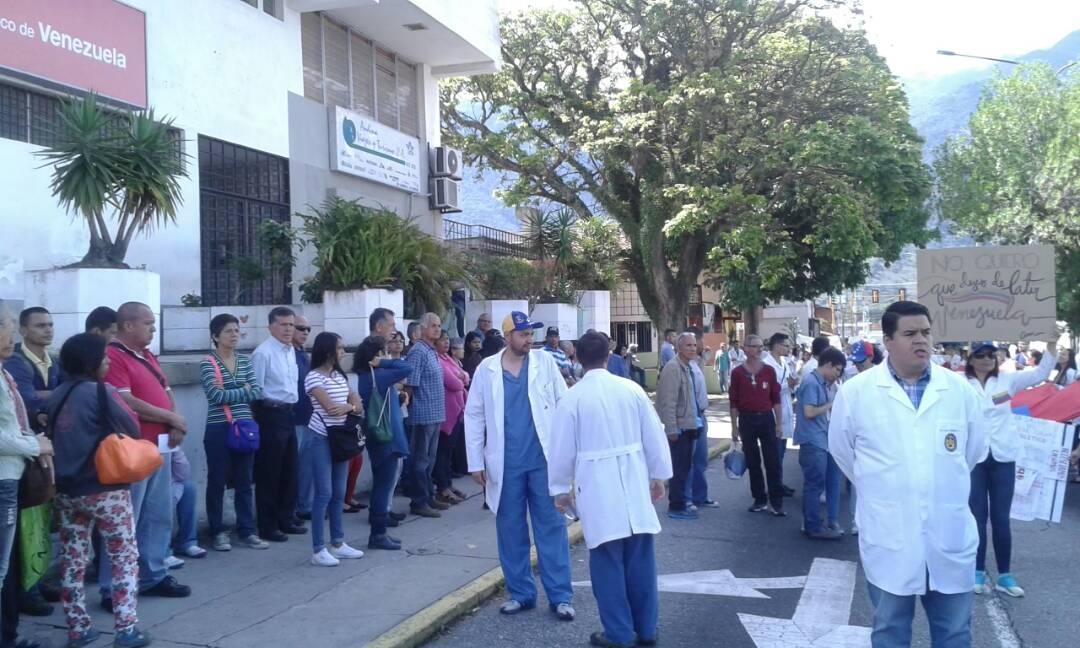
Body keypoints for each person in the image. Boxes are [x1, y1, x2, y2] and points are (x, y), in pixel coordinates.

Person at [829, 301, 987, 648]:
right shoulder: (857, 393)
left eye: (926, 333)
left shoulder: (959, 391)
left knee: (955, 633)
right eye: (910, 333)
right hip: (890, 536)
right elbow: (843, 454)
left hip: (949, 536)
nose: (921, 341)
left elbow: (973, 452)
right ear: (888, 340)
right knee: (889, 631)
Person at [548, 332, 672, 648]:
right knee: (641, 560)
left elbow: (561, 449)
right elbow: (654, 435)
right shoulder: (631, 389)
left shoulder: (573, 398)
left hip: (598, 489)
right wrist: (659, 475)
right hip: (633, 480)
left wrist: (560, 489)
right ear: (608, 356)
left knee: (607, 564)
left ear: (576, 357)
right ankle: (646, 629)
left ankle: (618, 633)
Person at [464, 311, 575, 621]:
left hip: (543, 461)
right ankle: (521, 594)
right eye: (524, 334)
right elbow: (473, 415)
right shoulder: (487, 369)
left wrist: (568, 454)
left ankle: (561, 596)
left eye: (531, 334)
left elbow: (563, 405)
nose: (530, 339)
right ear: (508, 336)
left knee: (551, 528)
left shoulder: (545, 363)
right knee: (511, 531)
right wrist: (474, 461)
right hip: (506, 463)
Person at [49, 333, 151, 648]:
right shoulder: (102, 392)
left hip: (66, 491)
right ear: (92, 363)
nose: (108, 362)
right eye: (104, 358)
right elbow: (132, 429)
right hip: (105, 489)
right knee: (123, 556)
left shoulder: (57, 394)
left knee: (73, 558)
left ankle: (78, 629)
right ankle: (126, 629)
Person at [100, 302, 191, 612]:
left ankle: (153, 575)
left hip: (159, 445)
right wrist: (170, 416)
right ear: (128, 325)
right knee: (126, 521)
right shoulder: (114, 355)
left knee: (157, 515)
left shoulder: (147, 355)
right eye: (148, 323)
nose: (153, 328)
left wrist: (174, 419)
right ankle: (112, 588)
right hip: (131, 450)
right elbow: (125, 400)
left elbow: (166, 389)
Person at [965, 338, 1056, 598]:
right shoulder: (960, 384)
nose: (986, 359)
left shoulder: (1007, 382)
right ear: (971, 359)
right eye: (980, 355)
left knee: (1001, 519)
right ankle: (977, 572)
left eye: (990, 355)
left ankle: (1004, 575)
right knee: (977, 518)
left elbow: (1040, 373)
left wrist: (1051, 344)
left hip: (1003, 457)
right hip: (974, 459)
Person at [5, 307, 61, 617]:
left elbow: (55, 394)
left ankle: (37, 579)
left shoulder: (54, 359)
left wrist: (49, 395)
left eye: (51, 324)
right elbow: (27, 399)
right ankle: (27, 590)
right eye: (40, 326)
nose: (48, 330)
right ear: (23, 330)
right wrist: (58, 394)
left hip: (45, 450)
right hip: (24, 453)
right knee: (26, 522)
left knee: (41, 519)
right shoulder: (16, 361)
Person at [199, 314, 267, 552]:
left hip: (245, 427)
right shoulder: (209, 362)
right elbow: (215, 396)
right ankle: (218, 531)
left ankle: (247, 529)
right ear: (216, 336)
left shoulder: (245, 361)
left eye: (237, 330)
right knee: (217, 480)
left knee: (245, 480)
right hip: (219, 427)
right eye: (228, 331)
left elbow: (256, 391)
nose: (234, 335)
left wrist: (238, 390)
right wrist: (243, 390)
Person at [304, 332, 365, 567]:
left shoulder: (339, 376)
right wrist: (352, 405)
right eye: (340, 348)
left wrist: (350, 405)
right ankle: (318, 548)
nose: (343, 352)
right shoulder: (313, 378)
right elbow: (331, 409)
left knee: (339, 493)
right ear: (328, 351)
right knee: (324, 493)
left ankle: (338, 543)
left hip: (340, 438)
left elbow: (355, 400)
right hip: (320, 438)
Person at [252, 307, 305, 543]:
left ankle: (286, 517)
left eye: (291, 325)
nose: (288, 330)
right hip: (270, 414)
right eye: (283, 325)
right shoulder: (263, 353)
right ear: (271, 327)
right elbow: (256, 391)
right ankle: (268, 525)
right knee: (269, 472)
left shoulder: (290, 351)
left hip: (288, 413)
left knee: (289, 469)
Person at [354, 336, 412, 550]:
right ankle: (378, 534)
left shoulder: (364, 377)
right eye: (383, 352)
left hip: (378, 436)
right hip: (387, 438)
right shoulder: (377, 375)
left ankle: (379, 531)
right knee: (383, 485)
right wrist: (384, 362)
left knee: (381, 483)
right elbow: (408, 366)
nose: (388, 355)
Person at [654, 333, 708, 520]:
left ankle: (683, 502)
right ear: (678, 347)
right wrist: (671, 429)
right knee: (679, 469)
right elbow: (668, 402)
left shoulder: (687, 366)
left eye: (694, 345)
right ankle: (676, 507)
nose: (693, 348)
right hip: (680, 428)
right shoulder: (673, 368)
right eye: (688, 345)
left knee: (685, 467)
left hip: (691, 424)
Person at [795, 347, 847, 540]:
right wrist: (831, 405)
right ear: (828, 365)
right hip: (812, 440)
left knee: (815, 484)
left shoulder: (821, 383)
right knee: (814, 485)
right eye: (837, 370)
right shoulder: (811, 382)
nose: (837, 375)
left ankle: (812, 523)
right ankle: (813, 527)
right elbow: (809, 412)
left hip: (820, 439)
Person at [729, 334, 784, 516]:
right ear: (746, 348)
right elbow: (734, 402)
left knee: (772, 461)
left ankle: (776, 502)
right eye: (755, 346)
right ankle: (759, 498)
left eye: (761, 346)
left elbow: (776, 399)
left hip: (766, 418)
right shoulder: (737, 373)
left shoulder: (769, 371)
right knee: (753, 461)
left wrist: (779, 423)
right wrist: (734, 428)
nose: (759, 349)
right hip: (747, 419)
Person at [403, 313, 447, 518]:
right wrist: (407, 409)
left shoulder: (432, 351)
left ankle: (428, 496)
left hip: (435, 413)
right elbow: (410, 384)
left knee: (429, 459)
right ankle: (418, 501)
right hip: (422, 414)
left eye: (439, 326)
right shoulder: (418, 352)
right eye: (433, 326)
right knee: (420, 460)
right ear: (423, 328)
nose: (437, 329)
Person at [433, 333, 468, 506]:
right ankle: (442, 487)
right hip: (445, 413)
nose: (446, 343)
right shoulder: (438, 360)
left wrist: (461, 378)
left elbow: (465, 376)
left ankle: (448, 484)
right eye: (442, 340)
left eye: (447, 339)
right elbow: (456, 383)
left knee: (449, 452)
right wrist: (461, 379)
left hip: (457, 411)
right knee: (442, 452)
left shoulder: (448, 358)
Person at [763, 333, 797, 497]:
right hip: (773, 412)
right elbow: (769, 389)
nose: (788, 348)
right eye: (785, 345)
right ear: (776, 345)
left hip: (785, 408)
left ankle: (779, 483)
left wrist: (792, 384)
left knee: (781, 451)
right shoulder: (766, 364)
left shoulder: (784, 362)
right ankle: (773, 486)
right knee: (774, 453)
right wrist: (787, 385)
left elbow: (786, 386)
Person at [292, 314, 315, 523]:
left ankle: (304, 506)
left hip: (308, 417)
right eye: (301, 328)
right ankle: (292, 509)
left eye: (308, 329)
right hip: (292, 419)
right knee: (293, 466)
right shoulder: (286, 353)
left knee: (307, 465)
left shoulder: (303, 354)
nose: (305, 332)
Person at [167, 448, 205, 565]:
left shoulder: (165, 437)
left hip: (168, 481)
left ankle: (187, 542)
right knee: (163, 495)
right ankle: (161, 552)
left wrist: (174, 449)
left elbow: (183, 473)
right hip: (142, 483)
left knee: (188, 487)